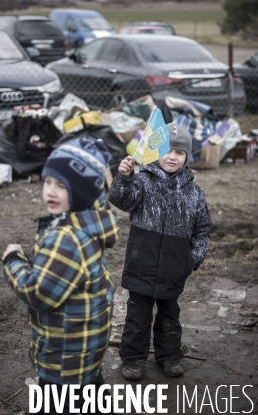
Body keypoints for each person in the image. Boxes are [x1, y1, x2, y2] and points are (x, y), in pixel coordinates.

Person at [2, 138, 119, 414]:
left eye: (62, 185)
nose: (50, 192)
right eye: (48, 182)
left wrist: (13, 261)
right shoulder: (87, 222)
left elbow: (37, 293)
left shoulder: (67, 239)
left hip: (64, 356)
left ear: (81, 191)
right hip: (85, 347)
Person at [108, 123, 211, 379]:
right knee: (137, 317)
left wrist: (193, 260)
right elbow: (122, 200)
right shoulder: (143, 180)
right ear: (156, 151)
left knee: (169, 318)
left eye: (179, 152)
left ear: (187, 157)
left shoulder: (195, 193)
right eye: (166, 149)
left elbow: (202, 229)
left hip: (174, 268)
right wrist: (124, 177)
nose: (172, 156)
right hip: (141, 264)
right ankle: (132, 359)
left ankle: (169, 356)